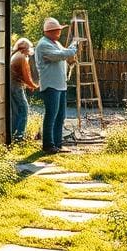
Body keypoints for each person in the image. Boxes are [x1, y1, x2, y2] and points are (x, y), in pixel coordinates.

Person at [34, 16, 79, 153]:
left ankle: (57, 144)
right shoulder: (43, 45)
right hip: (51, 85)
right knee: (51, 115)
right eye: (56, 30)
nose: (59, 33)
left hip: (59, 85)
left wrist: (70, 57)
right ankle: (48, 145)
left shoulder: (55, 43)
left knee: (60, 116)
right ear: (49, 32)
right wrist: (73, 47)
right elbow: (60, 55)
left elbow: (62, 56)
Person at [9, 37, 39, 141]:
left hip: (12, 86)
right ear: (24, 48)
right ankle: (19, 136)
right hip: (16, 87)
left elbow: (20, 75)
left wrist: (29, 84)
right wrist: (33, 85)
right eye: (28, 48)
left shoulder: (15, 55)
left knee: (16, 111)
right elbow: (26, 76)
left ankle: (13, 134)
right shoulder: (21, 57)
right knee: (24, 109)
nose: (29, 51)